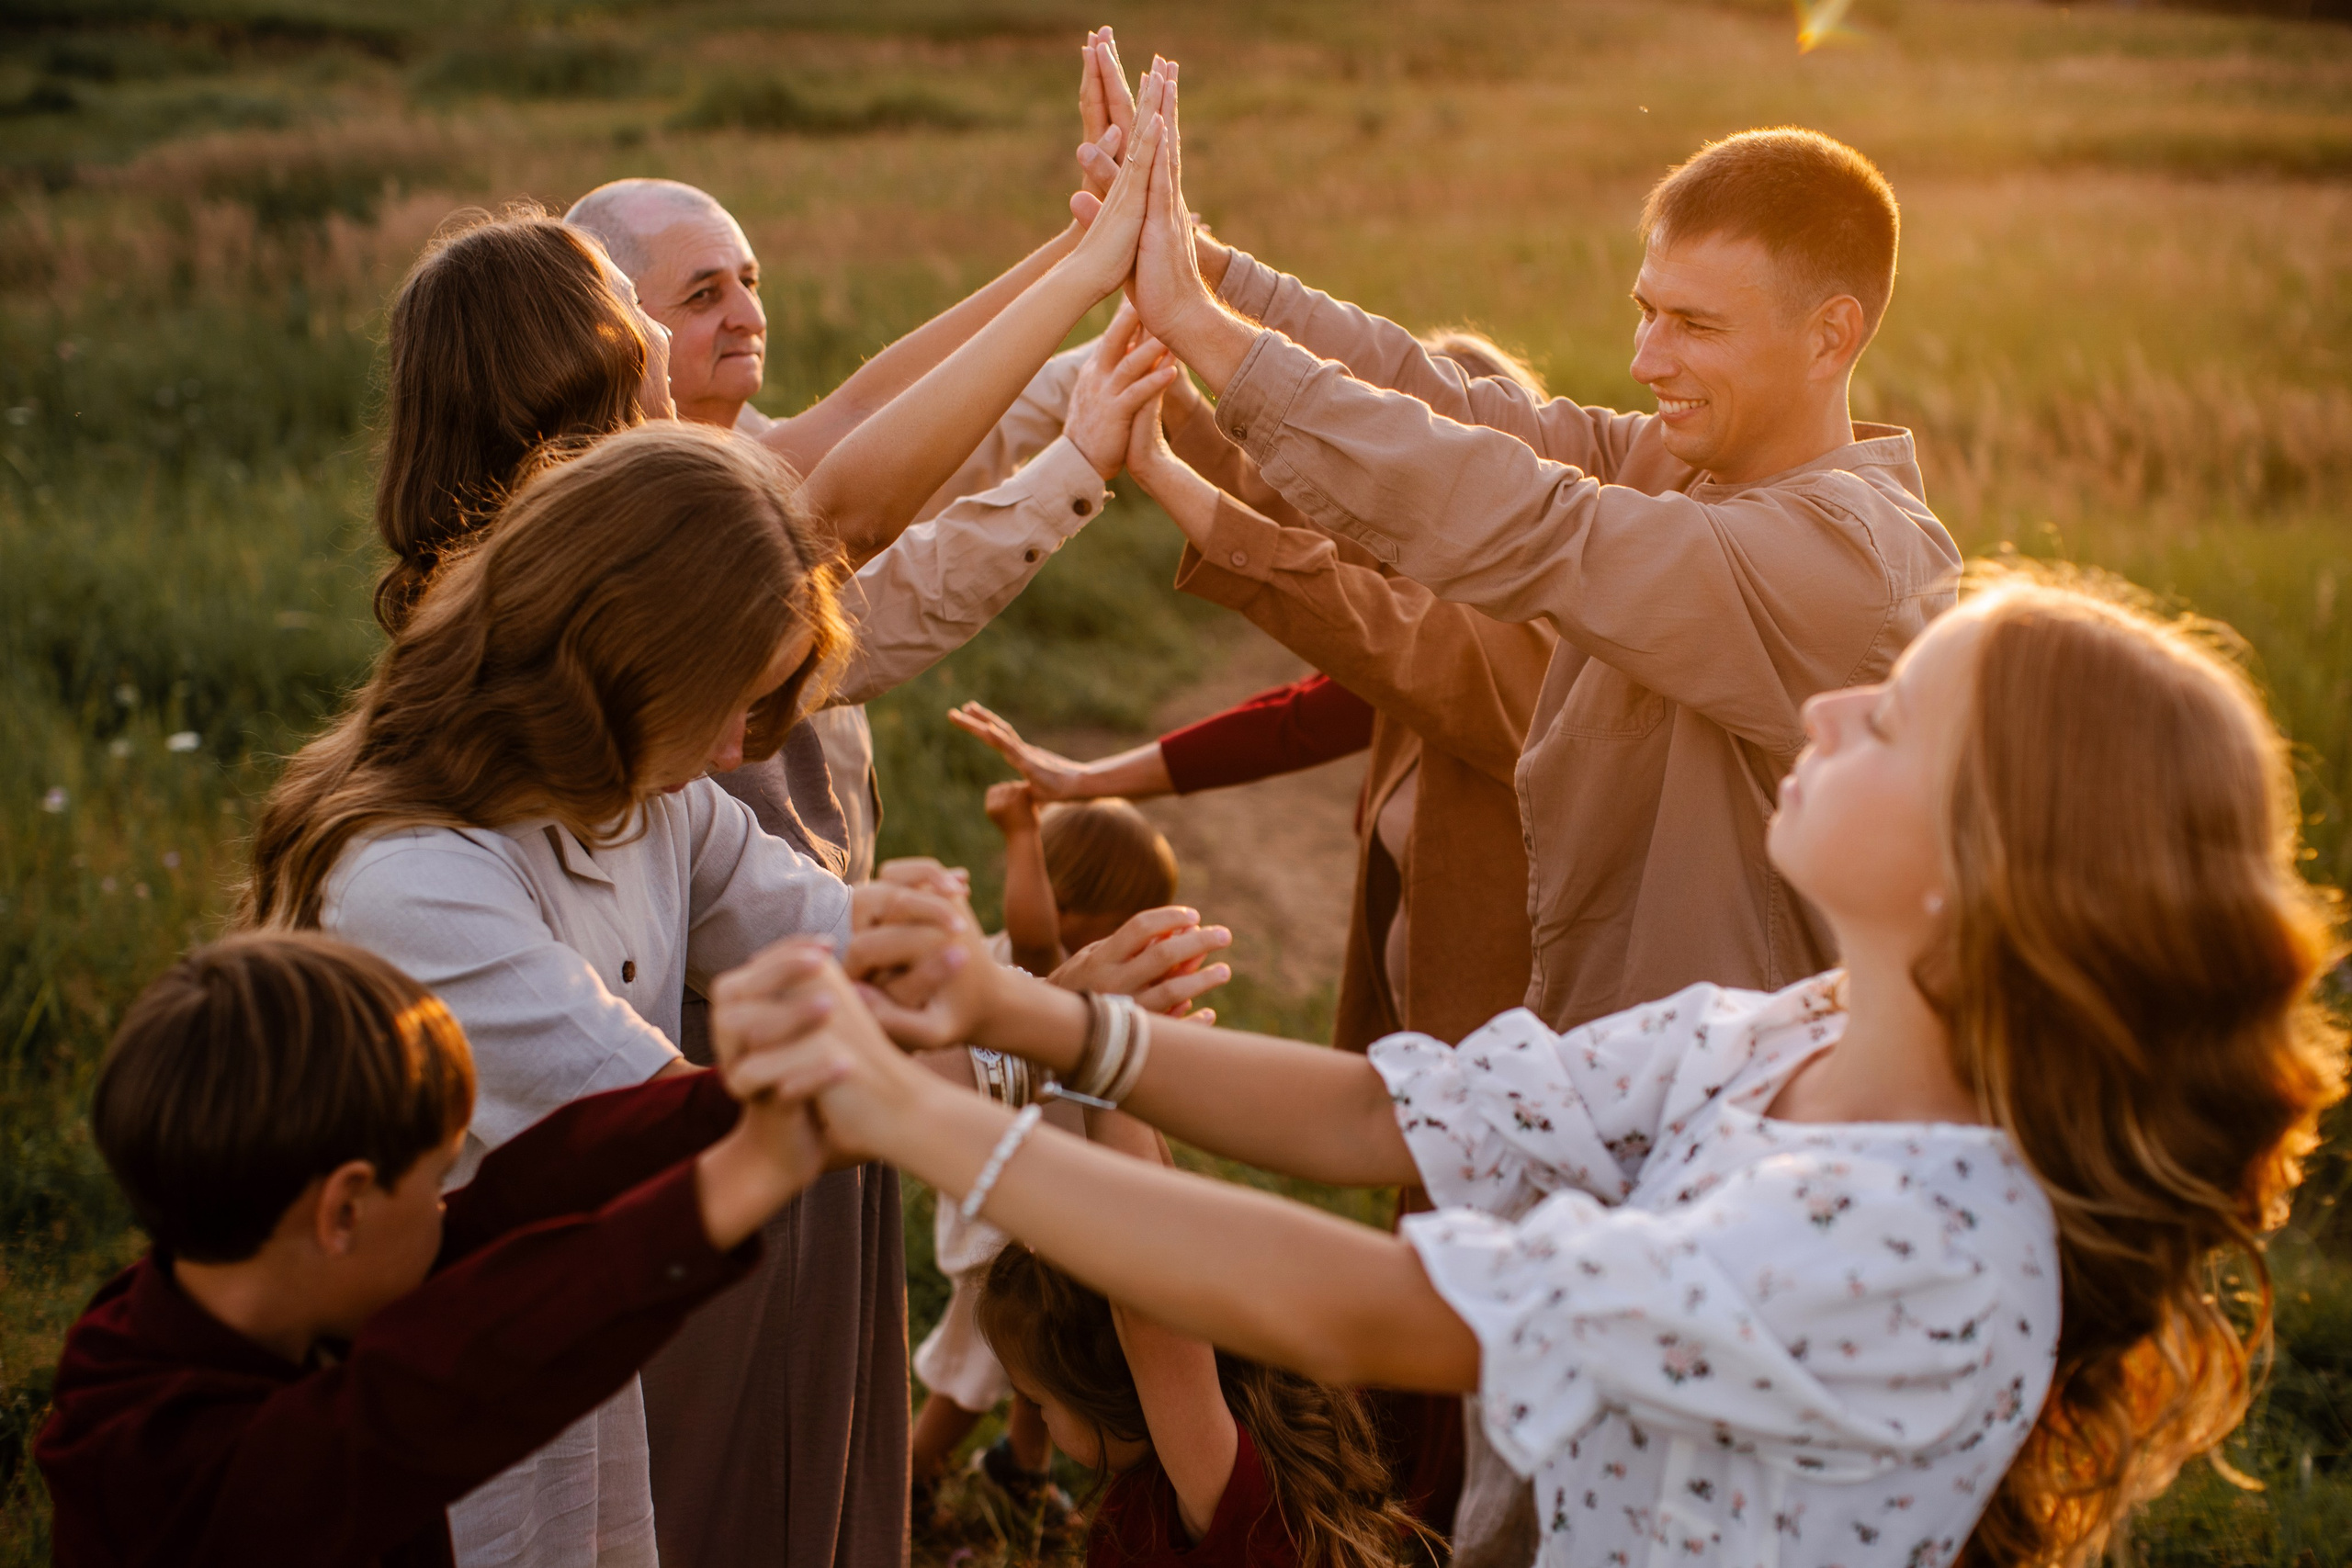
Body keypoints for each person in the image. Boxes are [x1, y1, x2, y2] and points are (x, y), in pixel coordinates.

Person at [717, 568, 2349, 1568]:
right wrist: (1030, 1020)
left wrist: (910, 1112)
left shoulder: (1914, 1232)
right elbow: (1383, 1107)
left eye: (1898, 720)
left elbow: (1382, 1311)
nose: (1831, 703)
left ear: (1992, 867)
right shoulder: (1789, 1033)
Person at [1109, 69, 1961, 1039]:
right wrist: (1208, 267)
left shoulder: (1847, 558)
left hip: (1732, 1134)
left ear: (1830, 337)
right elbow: (1456, 407)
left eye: (1694, 325)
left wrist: (1201, 330)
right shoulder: (1690, 466)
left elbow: (1530, 519)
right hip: (1615, 1086)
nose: (1645, 358)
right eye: (1647, 309)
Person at [34, 930, 858, 1568]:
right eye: (432, 1183)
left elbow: (512, 1205)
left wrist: (730, 1101)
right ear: (344, 1209)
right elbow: (450, 1375)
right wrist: (742, 1180)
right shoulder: (167, 1467)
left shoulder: (235, 1283)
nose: (445, 1208)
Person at [567, 28, 1160, 885]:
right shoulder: (645, 512)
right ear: (616, 327)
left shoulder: (752, 437)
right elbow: (880, 576)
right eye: (704, 294)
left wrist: (1090, 252)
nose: (747, 313)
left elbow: (881, 413)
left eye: (750, 281)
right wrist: (1073, 461)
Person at [909, 784, 1211, 1518]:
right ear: (1066, 907)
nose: (1133, 953)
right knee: (977, 1361)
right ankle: (909, 1472)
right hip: (1007, 1214)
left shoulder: (1083, 983)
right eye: (1122, 933)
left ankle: (1022, 1464)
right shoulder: (1034, 971)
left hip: (1051, 1208)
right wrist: (1021, 831)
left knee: (1044, 1350)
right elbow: (1036, 930)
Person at [973, 1110, 1426, 1568]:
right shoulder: (1215, 1467)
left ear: (1115, 1386)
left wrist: (1106, 1064)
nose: (1035, 1418)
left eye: (1037, 1402)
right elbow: (1168, 1229)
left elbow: (1150, 1308)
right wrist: (1127, 1082)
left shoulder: (1226, 1489)